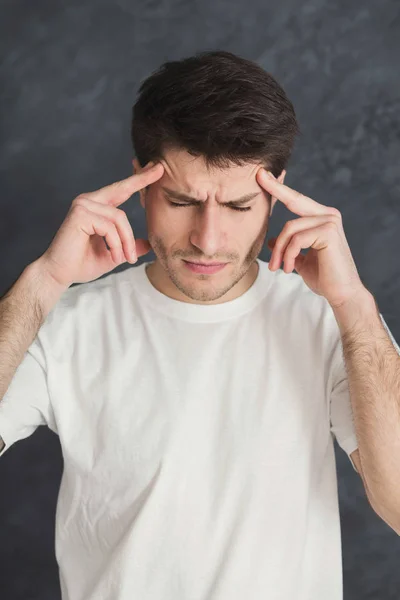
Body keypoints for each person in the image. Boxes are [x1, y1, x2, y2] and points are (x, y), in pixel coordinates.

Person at [0, 50, 398, 600]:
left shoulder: (329, 323)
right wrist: (43, 280)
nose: (207, 240)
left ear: (277, 190)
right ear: (141, 182)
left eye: (237, 206)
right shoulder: (68, 324)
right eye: (182, 200)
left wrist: (353, 304)